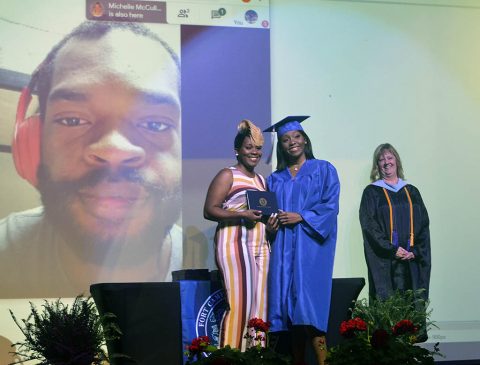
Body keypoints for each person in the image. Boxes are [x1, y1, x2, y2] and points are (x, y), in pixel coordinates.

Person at [0, 21, 182, 298]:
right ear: (33, 142)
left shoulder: (224, 271)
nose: (114, 149)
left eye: (155, 124)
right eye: (72, 120)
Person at [263, 116, 340, 365]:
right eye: (285, 139)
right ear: (281, 146)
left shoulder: (324, 169)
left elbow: (330, 207)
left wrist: (302, 216)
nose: (291, 142)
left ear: (305, 141)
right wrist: (271, 227)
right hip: (284, 251)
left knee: (309, 311)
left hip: (312, 250)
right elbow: (269, 217)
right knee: (289, 315)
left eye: (296, 137)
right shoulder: (275, 180)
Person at [203, 120, 278, 351]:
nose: (254, 152)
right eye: (248, 147)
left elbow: (262, 216)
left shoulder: (261, 181)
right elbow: (209, 210)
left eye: (257, 148)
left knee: (260, 306)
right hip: (234, 243)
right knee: (241, 304)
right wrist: (241, 215)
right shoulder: (228, 174)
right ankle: (232, 356)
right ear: (237, 150)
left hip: (260, 244)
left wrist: (272, 227)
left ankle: (257, 356)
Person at [359, 143, 431, 339]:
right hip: (387, 263)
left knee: (412, 309)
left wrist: (414, 251)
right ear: (377, 166)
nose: (386, 162)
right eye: (381, 160)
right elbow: (369, 226)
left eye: (389, 158)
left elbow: (424, 224)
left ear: (397, 161)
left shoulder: (412, 191)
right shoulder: (372, 193)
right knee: (388, 316)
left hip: (411, 261)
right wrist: (392, 249)